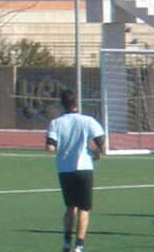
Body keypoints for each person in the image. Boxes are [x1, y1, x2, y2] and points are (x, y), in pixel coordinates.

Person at [45, 89, 105, 252]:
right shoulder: (88, 121)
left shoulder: (55, 123)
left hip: (65, 169)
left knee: (70, 207)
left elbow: (50, 147)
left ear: (61, 104)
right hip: (84, 168)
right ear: (76, 103)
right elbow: (101, 143)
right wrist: (97, 154)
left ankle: (66, 242)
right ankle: (79, 246)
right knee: (84, 209)